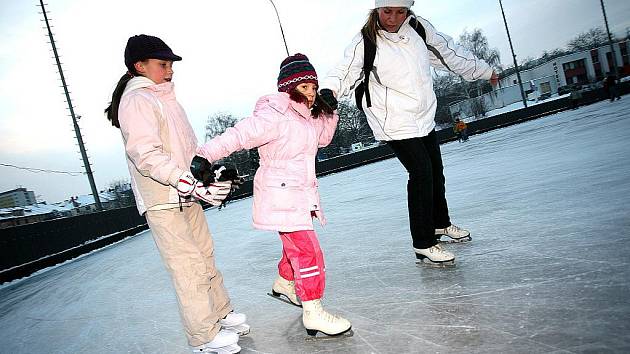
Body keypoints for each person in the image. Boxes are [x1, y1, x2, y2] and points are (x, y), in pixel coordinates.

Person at [320, 0, 498, 265]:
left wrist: (485, 71)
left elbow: (450, 53)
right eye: (387, 11)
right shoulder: (366, 41)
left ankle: (440, 224)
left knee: (435, 171)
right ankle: (424, 243)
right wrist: (329, 92)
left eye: (400, 11)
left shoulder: (418, 28)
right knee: (421, 173)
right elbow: (344, 71)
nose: (393, 18)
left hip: (422, 115)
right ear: (377, 9)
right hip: (391, 119)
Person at [104, 34, 249, 354]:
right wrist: (183, 180)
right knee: (187, 265)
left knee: (205, 257)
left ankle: (220, 314)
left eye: (170, 64)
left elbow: (186, 150)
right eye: (162, 64)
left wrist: (206, 175)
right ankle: (202, 336)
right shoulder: (137, 101)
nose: (169, 70)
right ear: (139, 66)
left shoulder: (167, 100)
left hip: (185, 193)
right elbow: (146, 155)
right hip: (163, 199)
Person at [196, 53, 352, 338]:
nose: (311, 93)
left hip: (298, 193)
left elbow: (323, 139)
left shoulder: (307, 116)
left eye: (314, 87)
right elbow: (239, 135)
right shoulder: (274, 113)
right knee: (308, 251)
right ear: (288, 87)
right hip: (281, 194)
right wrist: (204, 154)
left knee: (296, 245)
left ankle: (284, 280)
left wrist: (329, 110)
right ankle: (313, 310)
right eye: (304, 87)